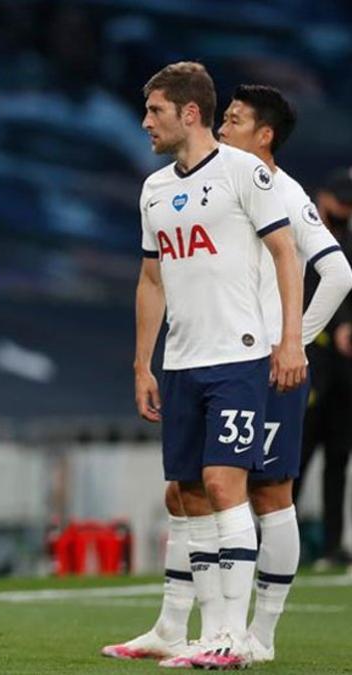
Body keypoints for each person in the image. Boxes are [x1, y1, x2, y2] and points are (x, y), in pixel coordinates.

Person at [105, 84, 352, 667]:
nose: (225, 127)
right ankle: (178, 624)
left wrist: (293, 340)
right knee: (187, 489)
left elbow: (336, 271)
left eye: (235, 120)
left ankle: (254, 633)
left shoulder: (277, 188)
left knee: (262, 491)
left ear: (263, 134)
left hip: (262, 360)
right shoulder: (182, 184)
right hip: (206, 355)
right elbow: (155, 276)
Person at [296, 168, 352, 569]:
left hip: (344, 374)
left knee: (338, 460)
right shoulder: (303, 239)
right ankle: (275, 543)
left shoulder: (347, 243)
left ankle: (332, 547)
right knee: (293, 460)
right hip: (310, 365)